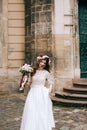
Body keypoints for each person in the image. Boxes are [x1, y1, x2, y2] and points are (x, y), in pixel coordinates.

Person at [20, 55, 55, 130]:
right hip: (33, 92)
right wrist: (25, 83)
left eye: (44, 63)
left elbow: (51, 82)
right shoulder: (32, 71)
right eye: (41, 62)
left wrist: (48, 91)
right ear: (38, 62)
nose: (43, 64)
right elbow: (29, 82)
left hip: (42, 93)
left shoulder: (46, 72)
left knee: (41, 111)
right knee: (31, 109)